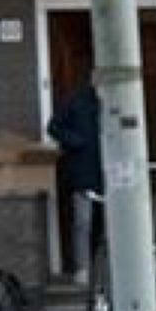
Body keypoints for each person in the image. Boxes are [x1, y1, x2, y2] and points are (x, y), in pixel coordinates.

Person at [46, 76, 105, 288]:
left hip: (112, 174)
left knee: (110, 224)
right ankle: (83, 269)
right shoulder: (76, 101)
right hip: (84, 172)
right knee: (83, 222)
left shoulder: (120, 102)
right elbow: (53, 127)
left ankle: (109, 267)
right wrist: (77, 142)